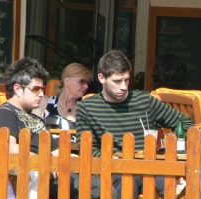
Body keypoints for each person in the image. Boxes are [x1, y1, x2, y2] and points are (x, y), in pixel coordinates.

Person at [76, 50, 193, 198]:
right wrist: (114, 160)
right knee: (126, 180)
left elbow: (185, 123)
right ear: (101, 78)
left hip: (151, 165)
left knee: (171, 182)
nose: (124, 87)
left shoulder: (144, 101)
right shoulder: (87, 108)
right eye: (117, 81)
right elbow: (86, 149)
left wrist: (170, 145)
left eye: (126, 80)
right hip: (114, 168)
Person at [0, 58, 59, 198]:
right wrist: (44, 162)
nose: (42, 94)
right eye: (36, 89)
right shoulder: (5, 113)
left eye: (43, 89)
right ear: (18, 89)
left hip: (52, 176)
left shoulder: (38, 120)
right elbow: (10, 148)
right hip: (30, 179)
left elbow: (57, 150)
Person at [34, 63, 92, 131]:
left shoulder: (84, 110)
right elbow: (32, 130)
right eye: (82, 81)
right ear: (67, 81)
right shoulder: (44, 102)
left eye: (87, 83)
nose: (86, 86)